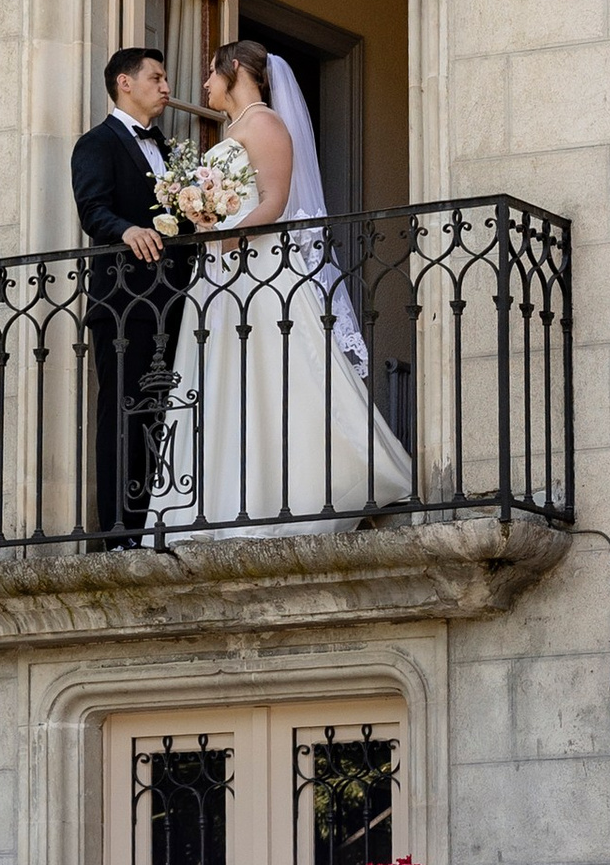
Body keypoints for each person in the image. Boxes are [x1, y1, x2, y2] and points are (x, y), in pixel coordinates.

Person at [151, 38, 410, 528]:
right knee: (229, 382)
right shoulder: (236, 128)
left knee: (279, 376)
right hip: (223, 273)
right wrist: (203, 218)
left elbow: (274, 200)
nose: (205, 83)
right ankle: (227, 503)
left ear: (233, 71)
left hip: (259, 269)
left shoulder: (265, 123)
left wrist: (226, 237)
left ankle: (326, 483)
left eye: (211, 71)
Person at [68, 48, 195, 542]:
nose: (166, 86)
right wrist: (127, 231)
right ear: (124, 83)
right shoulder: (96, 142)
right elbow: (92, 210)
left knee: (164, 412)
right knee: (122, 411)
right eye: (156, 77)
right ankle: (119, 533)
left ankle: (157, 524)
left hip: (174, 301)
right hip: (123, 302)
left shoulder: (167, 147)